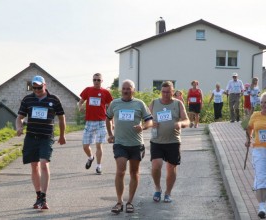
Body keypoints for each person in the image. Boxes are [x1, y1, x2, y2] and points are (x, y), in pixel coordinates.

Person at [16, 75, 66, 210]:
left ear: (45, 85)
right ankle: (38, 196)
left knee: (44, 163)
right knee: (34, 166)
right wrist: (19, 127)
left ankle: (44, 197)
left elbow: (61, 118)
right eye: (34, 87)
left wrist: (62, 135)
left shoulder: (54, 99)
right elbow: (19, 117)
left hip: (46, 137)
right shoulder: (28, 99)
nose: (37, 90)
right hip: (31, 137)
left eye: (39, 87)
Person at [106, 79, 153, 214]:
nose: (126, 91)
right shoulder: (115, 103)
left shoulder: (139, 104)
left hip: (136, 144)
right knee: (120, 171)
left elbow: (150, 120)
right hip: (120, 143)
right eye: (124, 89)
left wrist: (143, 127)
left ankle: (130, 202)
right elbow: (108, 117)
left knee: (134, 172)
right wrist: (110, 134)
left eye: (128, 89)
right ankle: (119, 202)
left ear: (133, 90)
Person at [149, 81, 189, 203]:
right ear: (161, 92)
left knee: (171, 168)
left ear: (173, 92)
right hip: (157, 141)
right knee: (156, 165)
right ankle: (157, 188)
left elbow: (187, 121)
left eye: (168, 92)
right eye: (163, 92)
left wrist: (180, 123)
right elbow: (146, 119)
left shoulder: (178, 104)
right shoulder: (154, 103)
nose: (165, 94)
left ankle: (168, 193)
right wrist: (151, 123)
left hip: (173, 141)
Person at [79, 73, 113, 174]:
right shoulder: (88, 90)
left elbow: (111, 108)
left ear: (102, 81)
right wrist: (80, 106)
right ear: (92, 80)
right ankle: (90, 158)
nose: (96, 82)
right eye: (94, 80)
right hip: (89, 122)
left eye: (98, 80)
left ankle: (98, 166)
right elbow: (80, 101)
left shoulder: (105, 92)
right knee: (85, 146)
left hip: (101, 122)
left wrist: (112, 121)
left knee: (99, 145)